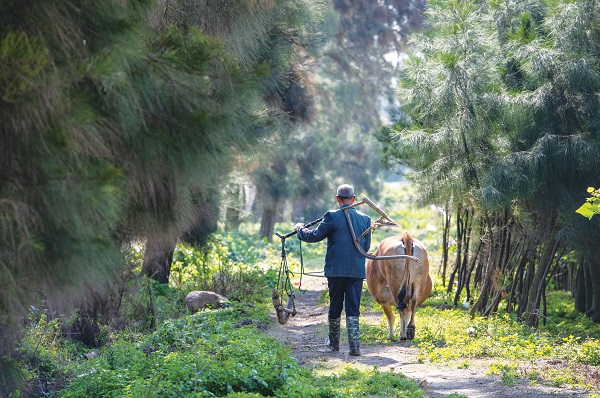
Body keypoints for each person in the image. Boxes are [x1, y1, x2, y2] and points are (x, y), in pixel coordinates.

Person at [294, 184, 371, 356]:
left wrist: (300, 229)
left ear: (337, 199)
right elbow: (366, 246)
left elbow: (314, 236)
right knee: (353, 307)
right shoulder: (365, 219)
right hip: (356, 271)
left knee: (335, 305)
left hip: (336, 271)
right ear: (354, 198)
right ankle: (354, 347)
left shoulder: (331, 216)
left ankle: (334, 344)